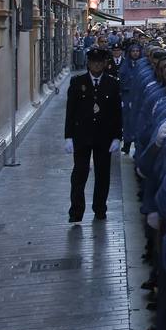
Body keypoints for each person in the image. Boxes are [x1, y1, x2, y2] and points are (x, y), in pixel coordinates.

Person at [65, 48, 124, 222]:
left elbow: (116, 113)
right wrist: (68, 136)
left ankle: (100, 209)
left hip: (103, 137)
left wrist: (117, 137)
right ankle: (76, 211)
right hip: (82, 136)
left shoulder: (112, 83)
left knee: (102, 175)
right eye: (93, 62)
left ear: (105, 64)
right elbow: (71, 111)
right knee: (79, 174)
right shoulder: (77, 82)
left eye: (100, 62)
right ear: (88, 63)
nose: (97, 65)